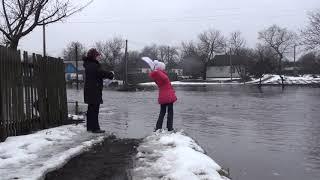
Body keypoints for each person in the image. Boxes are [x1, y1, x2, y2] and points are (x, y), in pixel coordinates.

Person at [83, 48, 114, 133]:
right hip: (94, 90)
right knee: (94, 110)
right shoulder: (93, 65)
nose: (98, 57)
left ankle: (90, 127)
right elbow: (100, 73)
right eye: (97, 56)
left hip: (90, 90)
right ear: (94, 56)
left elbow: (98, 73)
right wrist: (110, 74)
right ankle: (95, 128)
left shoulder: (88, 64)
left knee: (91, 109)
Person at [149, 61, 177, 131]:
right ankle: (169, 128)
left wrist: (155, 70)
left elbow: (160, 78)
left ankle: (158, 127)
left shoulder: (156, 76)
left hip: (162, 96)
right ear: (161, 68)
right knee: (170, 112)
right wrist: (156, 70)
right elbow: (165, 78)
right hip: (168, 96)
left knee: (162, 112)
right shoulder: (160, 74)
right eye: (163, 68)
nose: (164, 69)